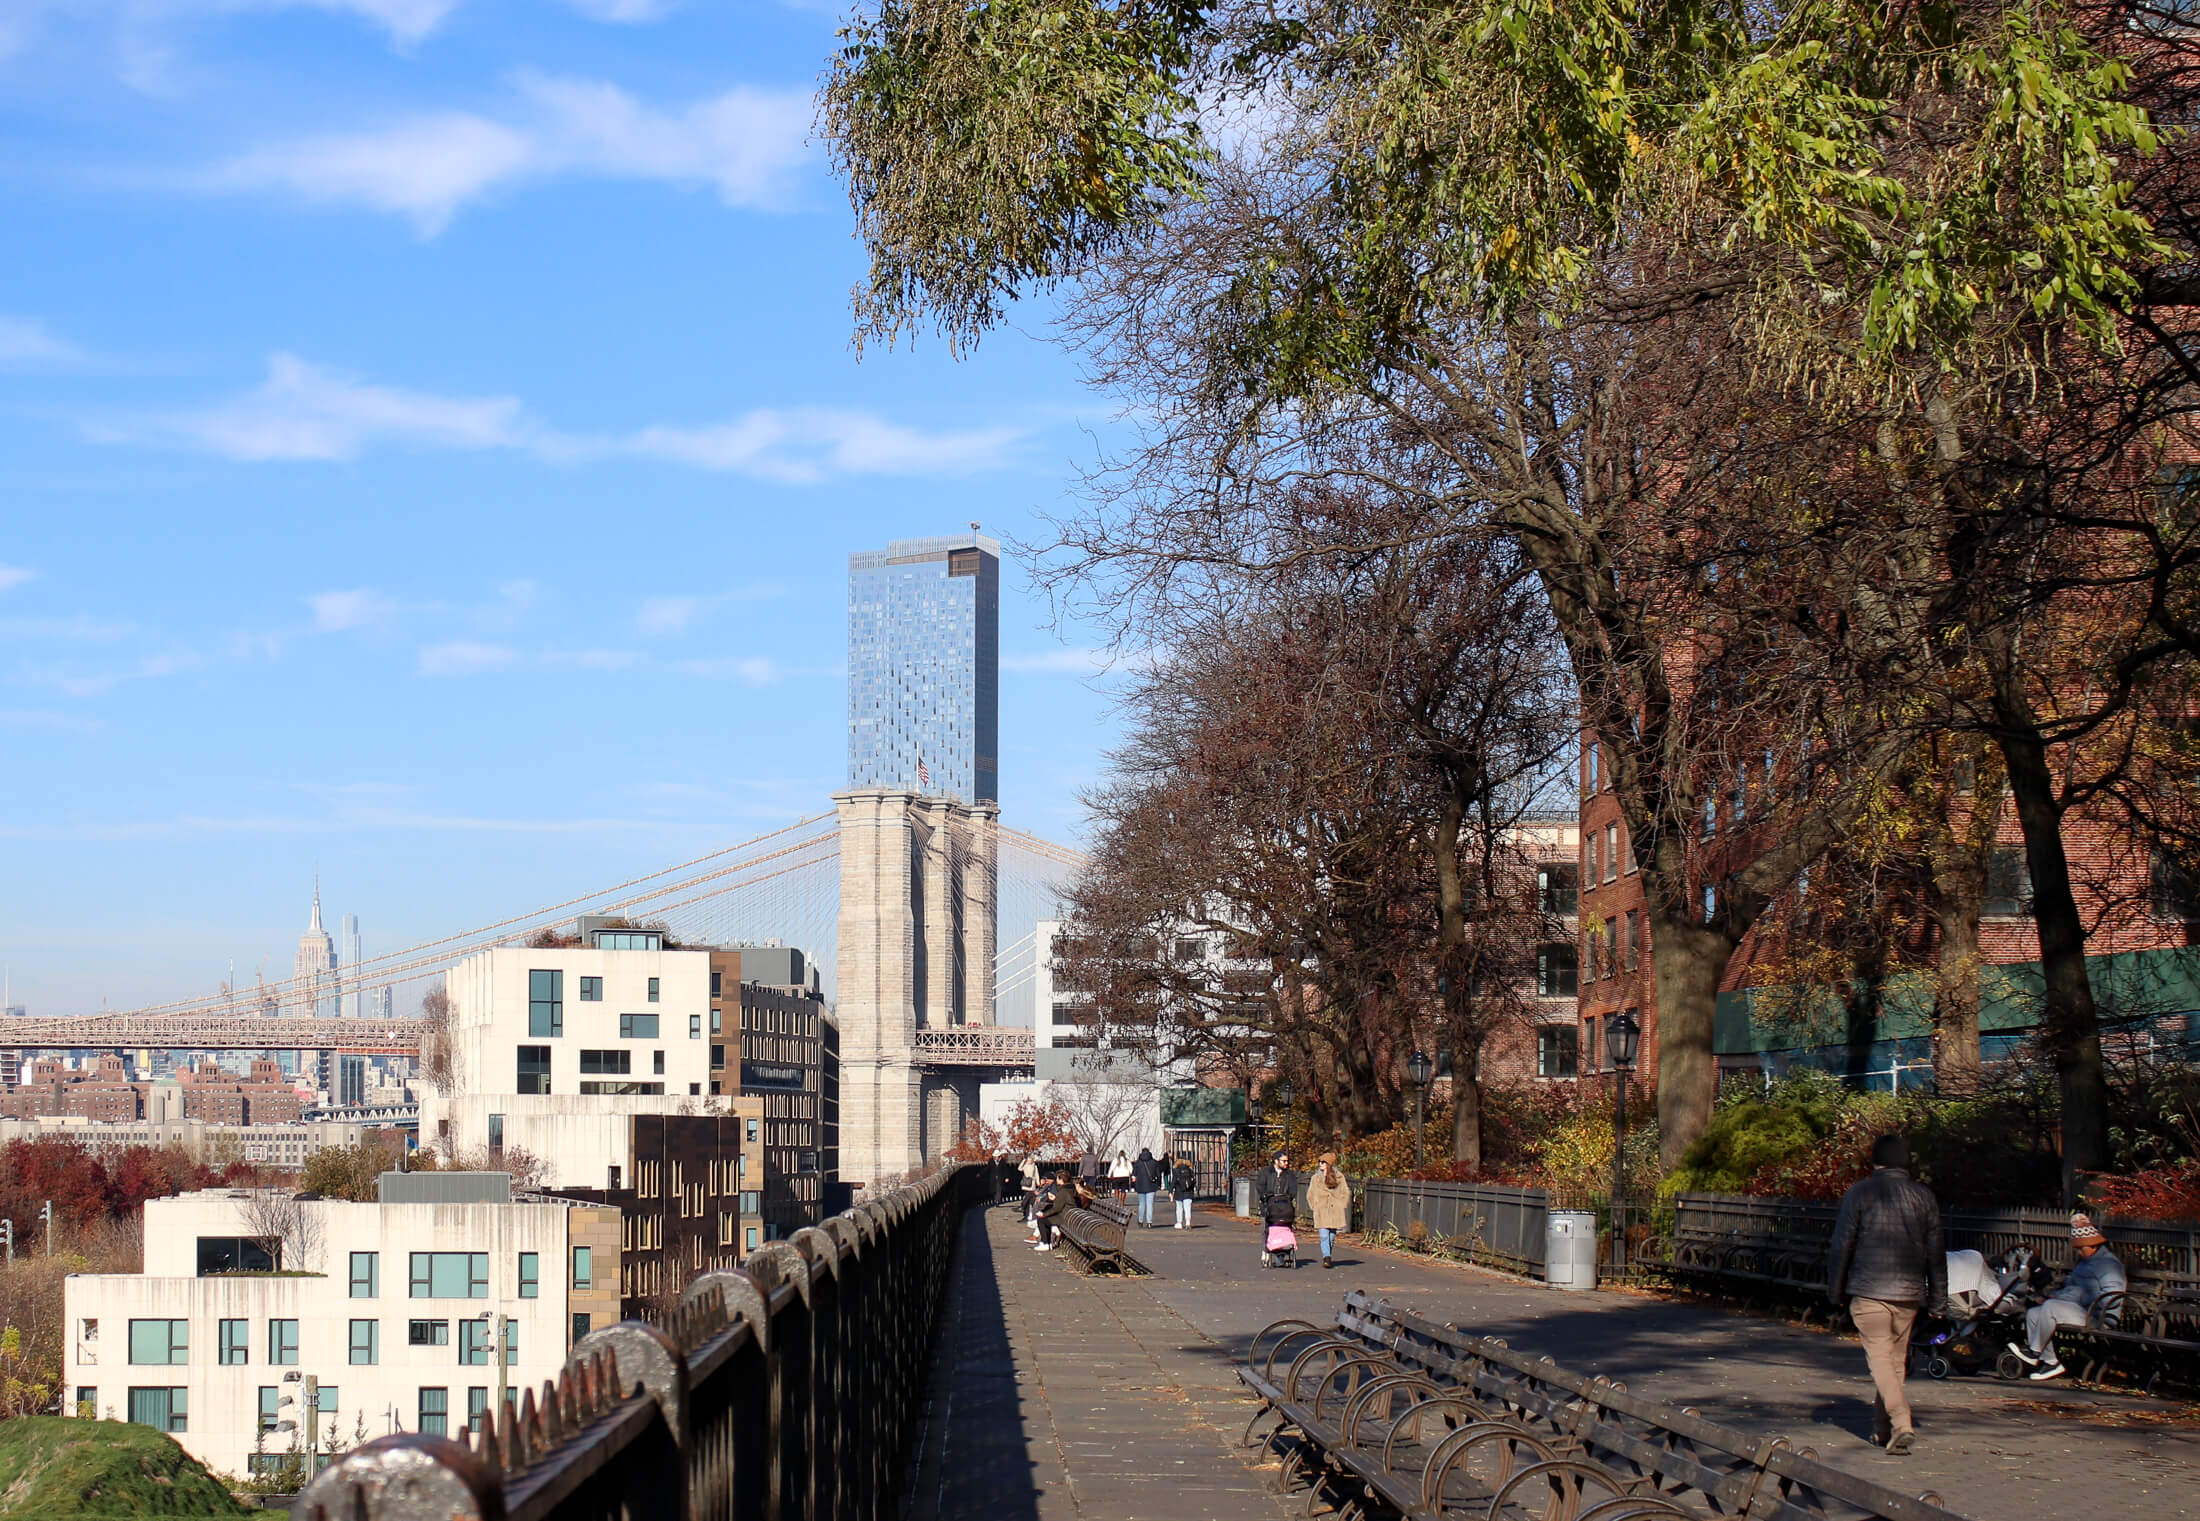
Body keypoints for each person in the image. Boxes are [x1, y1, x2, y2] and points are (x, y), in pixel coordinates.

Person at [1826, 1134, 1946, 1455]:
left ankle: (1901, 1421)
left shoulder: (1860, 1193)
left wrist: (1835, 1291)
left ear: (1875, 1162)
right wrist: (1938, 1299)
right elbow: (1936, 1252)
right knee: (1895, 1365)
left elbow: (1841, 1245)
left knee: (1880, 1361)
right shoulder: (1924, 1197)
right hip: (1908, 1293)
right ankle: (1883, 1431)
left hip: (1868, 1289)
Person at [2009, 1214, 2126, 1381]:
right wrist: (2055, 1295)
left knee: (2051, 1308)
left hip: (2096, 1316)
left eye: (2081, 1248)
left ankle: (2034, 1352)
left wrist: (2078, 1298)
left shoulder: (2109, 1265)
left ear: (2094, 1245)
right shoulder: (2084, 1262)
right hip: (2077, 1309)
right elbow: (2071, 1288)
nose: (2078, 1251)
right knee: (2034, 1313)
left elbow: (2113, 1297)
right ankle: (2050, 1362)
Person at [1308, 1153, 1351, 1269]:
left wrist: (1342, 1204)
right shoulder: (1315, 1178)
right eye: (1319, 1162)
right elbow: (1310, 1194)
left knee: (1331, 1237)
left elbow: (1345, 1192)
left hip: (1335, 1210)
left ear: (1329, 1164)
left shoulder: (1339, 1177)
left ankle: (1328, 1255)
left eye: (1323, 1162)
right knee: (1324, 1236)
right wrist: (1314, 1206)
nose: (1320, 1164)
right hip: (1321, 1210)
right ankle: (1326, 1257)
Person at [1033, 1169, 1076, 1252]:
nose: (1056, 1180)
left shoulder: (1063, 1191)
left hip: (1064, 1216)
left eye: (1057, 1178)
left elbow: (1057, 1208)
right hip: (1068, 1213)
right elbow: (1064, 1201)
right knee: (1045, 1217)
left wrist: (1044, 1214)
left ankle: (1045, 1243)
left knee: (1042, 1220)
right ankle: (1047, 1243)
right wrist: (1055, 1199)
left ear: (1061, 1179)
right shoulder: (1069, 1188)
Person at [1131, 1147, 1164, 1227]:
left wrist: (1134, 1185)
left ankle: (1140, 1221)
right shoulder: (1154, 1162)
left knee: (1141, 1204)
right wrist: (1158, 1184)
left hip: (1140, 1186)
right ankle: (1149, 1222)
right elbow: (1158, 1175)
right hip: (1151, 1186)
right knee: (1150, 1204)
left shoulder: (1137, 1163)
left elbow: (1134, 1175)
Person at [1170, 1153, 1197, 1228]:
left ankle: (1179, 1223)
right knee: (1187, 1208)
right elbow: (1194, 1182)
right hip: (1188, 1192)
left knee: (1179, 1208)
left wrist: (1170, 1191)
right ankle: (1188, 1222)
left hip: (1179, 1192)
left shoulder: (1176, 1171)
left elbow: (1173, 1182)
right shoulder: (1190, 1170)